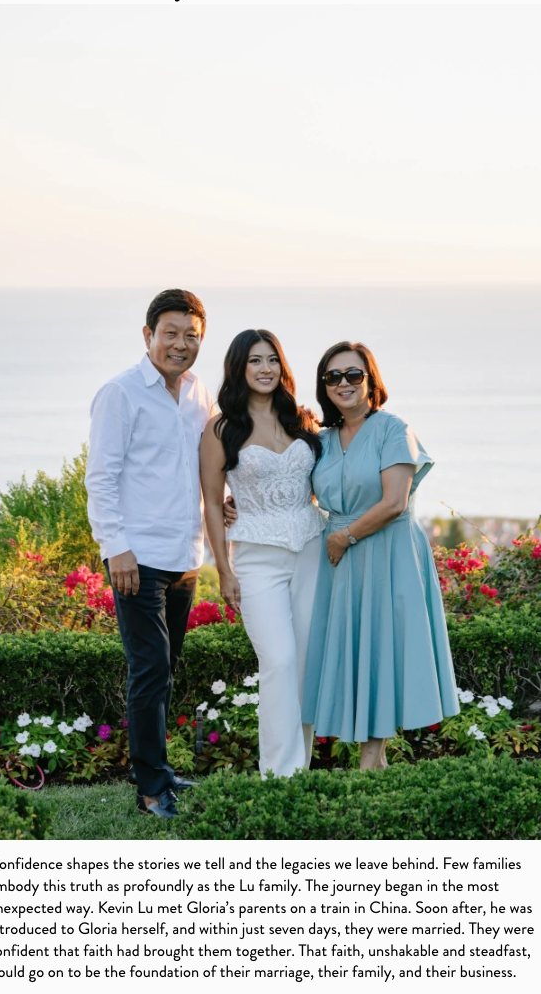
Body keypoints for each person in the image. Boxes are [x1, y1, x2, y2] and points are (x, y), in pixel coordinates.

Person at [85, 289, 214, 820]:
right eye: (171, 333)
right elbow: (101, 478)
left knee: (165, 667)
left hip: (184, 554)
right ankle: (151, 788)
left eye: (191, 336)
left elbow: (204, 463)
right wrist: (116, 548)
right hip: (137, 557)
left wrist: (226, 500)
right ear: (148, 335)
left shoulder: (199, 393)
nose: (181, 345)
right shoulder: (120, 393)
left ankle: (156, 769)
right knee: (150, 667)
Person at [301, 341, 460, 770]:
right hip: (341, 560)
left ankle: (372, 760)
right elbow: (298, 492)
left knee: (383, 648)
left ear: (371, 380)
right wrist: (237, 505)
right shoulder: (323, 440)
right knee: (354, 651)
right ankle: (372, 761)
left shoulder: (393, 429)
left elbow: (394, 502)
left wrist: (344, 537)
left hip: (388, 553)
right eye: (333, 376)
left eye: (354, 374)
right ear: (324, 386)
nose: (344, 383)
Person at [201, 329, 325, 778]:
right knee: (278, 661)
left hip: (312, 550)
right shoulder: (220, 429)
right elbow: (211, 504)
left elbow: (323, 483)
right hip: (256, 557)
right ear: (239, 368)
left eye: (272, 359)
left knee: (306, 663)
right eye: (255, 360)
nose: (266, 368)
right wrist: (223, 570)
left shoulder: (303, 420)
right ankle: (277, 775)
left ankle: (299, 770)